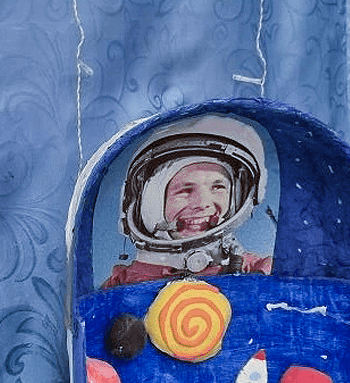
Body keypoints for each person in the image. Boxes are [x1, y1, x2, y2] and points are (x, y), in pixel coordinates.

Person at [101, 115, 273, 287]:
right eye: (185, 190)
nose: (203, 203)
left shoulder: (258, 272)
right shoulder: (121, 285)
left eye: (218, 187)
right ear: (151, 204)